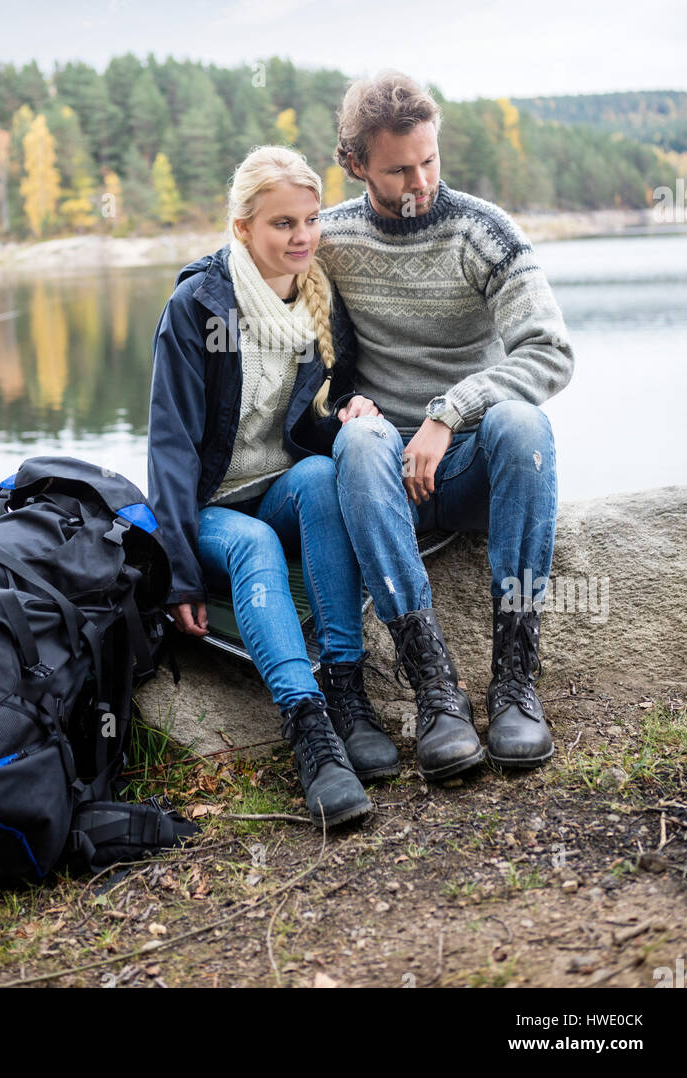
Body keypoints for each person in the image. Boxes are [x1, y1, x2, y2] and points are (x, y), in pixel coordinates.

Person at [317, 73, 575, 780]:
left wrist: (449, 411)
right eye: (400, 168)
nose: (421, 180)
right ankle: (436, 691)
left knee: (523, 424)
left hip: (469, 470)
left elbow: (550, 352)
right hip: (384, 481)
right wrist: (335, 401)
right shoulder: (332, 239)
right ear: (356, 163)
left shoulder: (482, 230)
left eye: (430, 160)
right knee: (360, 438)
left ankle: (516, 682)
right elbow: (267, 301)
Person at [146, 145, 401, 829]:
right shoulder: (198, 306)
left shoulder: (320, 302)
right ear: (242, 229)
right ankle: (309, 730)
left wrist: (349, 410)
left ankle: (347, 692)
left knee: (322, 476)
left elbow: (313, 421)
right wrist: (177, 575)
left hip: (280, 485)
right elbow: (169, 448)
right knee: (255, 539)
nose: (302, 237)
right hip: (209, 510)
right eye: (282, 224)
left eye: (311, 220)